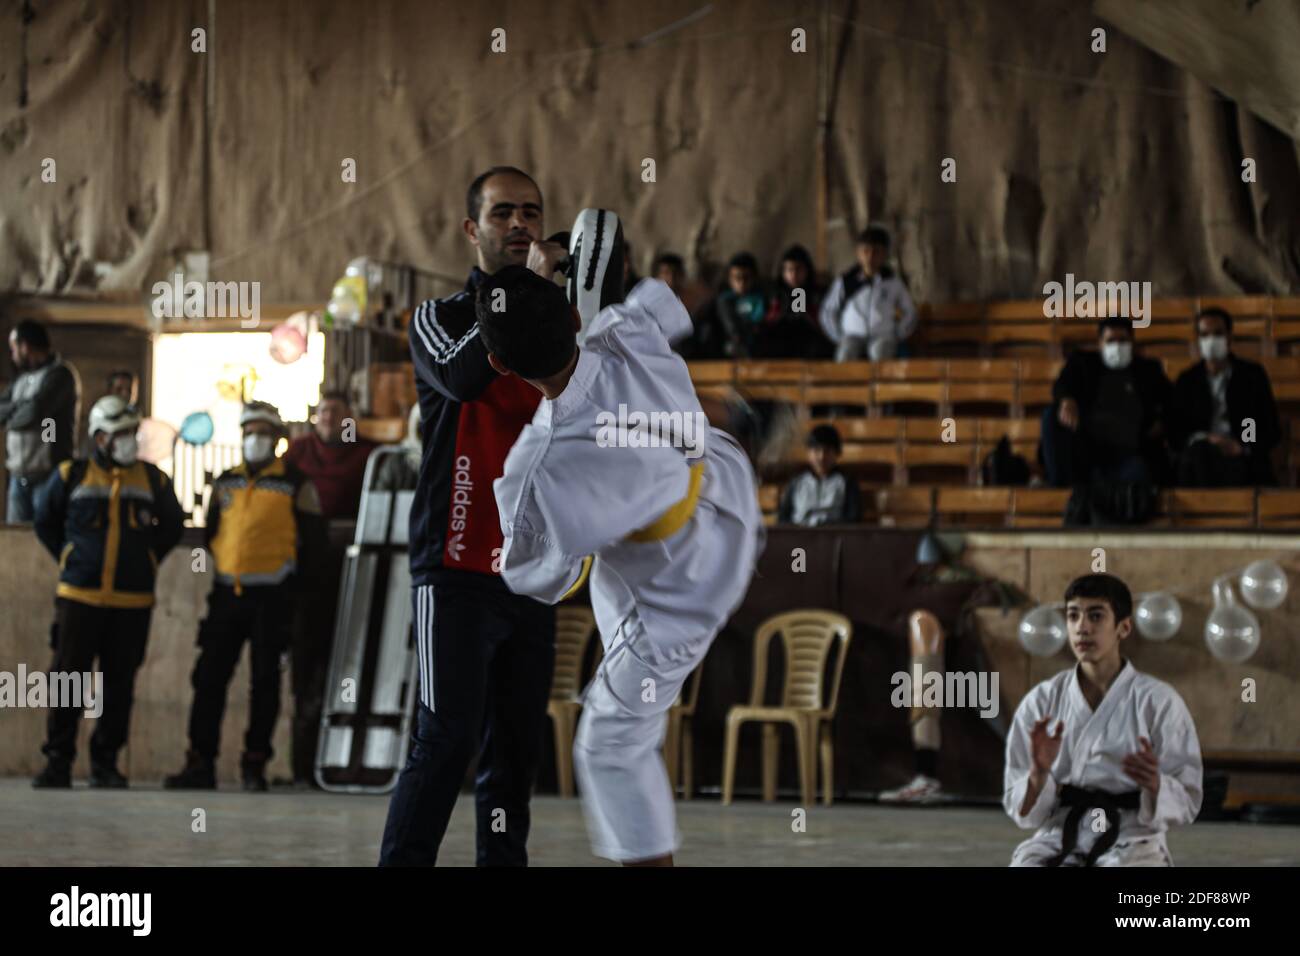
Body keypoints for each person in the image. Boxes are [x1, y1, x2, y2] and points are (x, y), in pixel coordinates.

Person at [482, 264, 763, 866]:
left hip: (676, 597)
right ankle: (727, 417)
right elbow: (678, 296)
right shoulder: (619, 328)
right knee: (615, 586)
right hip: (728, 497)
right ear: (576, 318)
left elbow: (540, 579)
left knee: (609, 744)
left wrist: (592, 516)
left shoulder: (535, 470)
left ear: (500, 366)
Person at [379, 166, 559, 867]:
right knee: (446, 737)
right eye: (503, 213)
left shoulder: (558, 324)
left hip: (533, 569)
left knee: (514, 754)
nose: (520, 224)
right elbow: (461, 377)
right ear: (471, 229)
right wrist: (530, 295)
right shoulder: (438, 317)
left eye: (532, 214)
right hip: (455, 566)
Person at [165, 402, 326, 792]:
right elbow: (212, 533)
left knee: (265, 682)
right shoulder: (225, 481)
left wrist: (295, 595)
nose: (255, 439)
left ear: (277, 439)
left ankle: (255, 764)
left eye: (263, 432)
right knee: (208, 679)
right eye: (249, 431)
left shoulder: (296, 483)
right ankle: (200, 763)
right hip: (226, 597)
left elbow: (314, 545)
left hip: (273, 600)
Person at [30, 396, 184, 788]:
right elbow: (44, 520)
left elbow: (172, 526)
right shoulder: (71, 475)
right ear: (100, 438)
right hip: (79, 599)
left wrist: (148, 561)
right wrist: (68, 557)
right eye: (121, 434)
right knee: (68, 682)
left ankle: (105, 764)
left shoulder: (153, 480)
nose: (130, 441)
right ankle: (58, 762)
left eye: (133, 433)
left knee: (119, 686)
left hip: (132, 603)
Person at [1003, 573, 1202, 866]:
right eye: (1073, 616)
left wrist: (1156, 784)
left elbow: (1188, 797)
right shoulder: (1042, 701)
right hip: (1061, 831)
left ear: (1123, 628)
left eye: (1096, 616)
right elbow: (1022, 810)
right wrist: (1038, 774)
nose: (1082, 628)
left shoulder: (1158, 701)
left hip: (1132, 837)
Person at [283, 390, 377, 785]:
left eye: (335, 413)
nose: (327, 418)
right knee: (306, 671)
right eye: (322, 412)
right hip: (305, 577)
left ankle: (356, 763)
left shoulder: (368, 454)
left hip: (357, 575)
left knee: (356, 665)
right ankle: (303, 767)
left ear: (349, 418)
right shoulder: (297, 452)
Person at [1039, 318, 1173, 488]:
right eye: (1110, 341)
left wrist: (1161, 423)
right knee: (1051, 415)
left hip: (1132, 453)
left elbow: (1172, 402)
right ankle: (1059, 489)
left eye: (1122, 340)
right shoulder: (1083, 363)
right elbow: (1062, 385)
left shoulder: (1148, 370)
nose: (1116, 346)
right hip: (1088, 451)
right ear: (1100, 343)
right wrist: (1067, 400)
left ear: (1132, 343)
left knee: (1137, 480)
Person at [1167, 307, 1280, 487]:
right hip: (1200, 456)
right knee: (1199, 458)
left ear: (1229, 337)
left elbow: (1266, 424)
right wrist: (1205, 438)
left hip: (1241, 455)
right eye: (1205, 335)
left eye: (1218, 333)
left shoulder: (1251, 375)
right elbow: (1176, 432)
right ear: (1198, 341)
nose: (1211, 340)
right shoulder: (1187, 380)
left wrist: (1242, 444)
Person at [0, 320, 80, 523]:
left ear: (25, 346)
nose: (13, 355)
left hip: (49, 479)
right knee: (16, 543)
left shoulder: (60, 375)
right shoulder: (20, 380)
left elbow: (35, 412)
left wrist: (15, 414)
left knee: (46, 544)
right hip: (18, 479)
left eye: (14, 349)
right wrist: (20, 409)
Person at [819, 226, 917, 361]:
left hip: (883, 335)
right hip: (852, 335)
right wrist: (839, 336)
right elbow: (828, 311)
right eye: (866, 251)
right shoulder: (845, 281)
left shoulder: (893, 282)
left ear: (884, 255)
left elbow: (910, 311)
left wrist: (898, 333)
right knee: (845, 356)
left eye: (876, 252)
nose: (870, 256)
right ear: (858, 253)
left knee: (880, 354)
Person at [755, 244, 833, 359]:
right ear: (783, 272)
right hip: (779, 341)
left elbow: (824, 324)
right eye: (789, 269)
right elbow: (764, 322)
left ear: (807, 270)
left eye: (798, 269)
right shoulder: (773, 293)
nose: (794, 274)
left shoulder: (818, 293)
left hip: (810, 342)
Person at [777, 424, 862, 526]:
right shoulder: (796, 482)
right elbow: (782, 519)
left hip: (833, 538)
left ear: (837, 453)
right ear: (808, 453)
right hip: (799, 538)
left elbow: (853, 519)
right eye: (816, 450)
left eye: (827, 451)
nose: (821, 456)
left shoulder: (847, 482)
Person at [688, 252, 768, 358]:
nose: (741, 283)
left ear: (754, 278)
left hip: (758, 350)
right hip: (725, 353)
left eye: (746, 277)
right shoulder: (721, 301)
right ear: (730, 279)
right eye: (737, 278)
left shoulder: (763, 298)